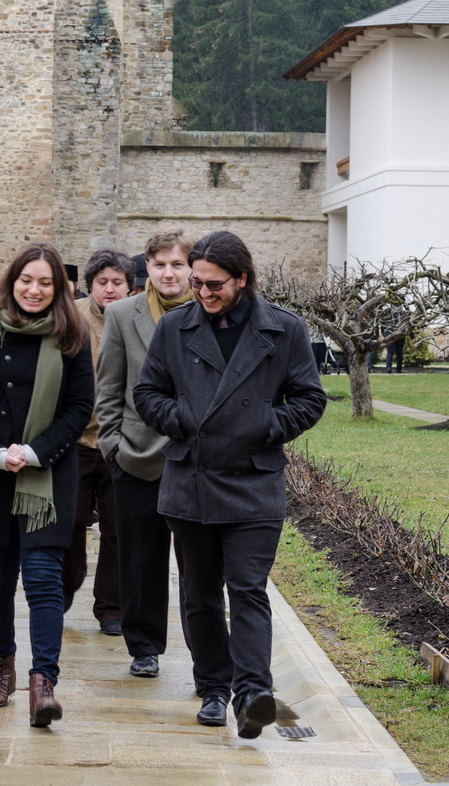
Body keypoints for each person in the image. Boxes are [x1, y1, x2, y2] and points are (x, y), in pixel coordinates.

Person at [134, 231, 326, 738]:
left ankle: (254, 693)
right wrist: (182, 418)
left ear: (242, 278)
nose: (202, 292)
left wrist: (265, 424)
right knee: (200, 596)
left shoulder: (284, 329)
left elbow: (310, 399)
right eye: (196, 282)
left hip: (253, 483)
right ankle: (214, 689)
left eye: (214, 284)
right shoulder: (175, 327)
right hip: (190, 481)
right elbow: (147, 393)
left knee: (247, 591)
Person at [0, 242, 94, 728]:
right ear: (11, 281)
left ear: (59, 289)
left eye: (45, 283)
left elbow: (80, 406)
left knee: (42, 579)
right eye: (26, 280)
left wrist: (34, 452)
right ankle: (1, 669)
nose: (34, 290)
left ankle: (43, 682)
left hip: (47, 475)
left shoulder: (71, 334)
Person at [95, 228, 194, 679]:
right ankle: (144, 646)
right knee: (139, 560)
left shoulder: (209, 310)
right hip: (135, 455)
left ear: (191, 267)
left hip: (194, 458)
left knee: (197, 566)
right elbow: (109, 384)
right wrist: (112, 445)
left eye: (177, 264)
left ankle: (204, 653)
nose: (168, 273)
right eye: (159, 265)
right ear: (147, 268)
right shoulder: (122, 313)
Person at [65, 249, 133, 626]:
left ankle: (111, 607)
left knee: (118, 528)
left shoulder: (138, 319)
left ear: (129, 286)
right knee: (71, 522)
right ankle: (66, 583)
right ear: (90, 284)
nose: (109, 289)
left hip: (121, 443)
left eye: (117, 282)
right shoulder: (71, 317)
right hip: (76, 440)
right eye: (102, 282)